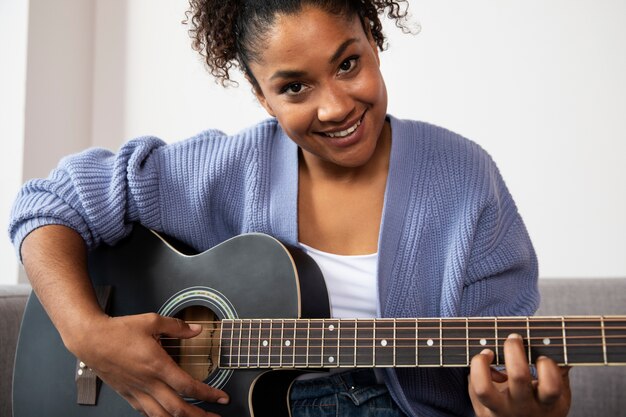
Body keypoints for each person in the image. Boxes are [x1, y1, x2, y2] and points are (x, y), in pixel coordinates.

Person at [8, 1, 571, 416]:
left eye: (348, 64)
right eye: (295, 88)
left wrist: (510, 409)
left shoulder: (465, 178)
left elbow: (500, 367)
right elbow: (50, 201)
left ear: (373, 38)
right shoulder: (228, 169)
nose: (334, 107)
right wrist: (87, 333)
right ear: (261, 95)